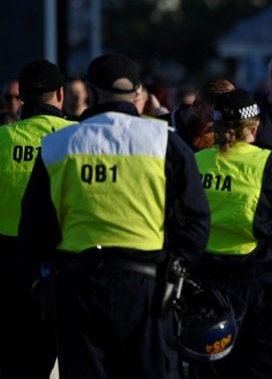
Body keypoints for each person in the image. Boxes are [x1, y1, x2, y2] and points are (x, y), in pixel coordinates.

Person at [18, 53, 211, 379]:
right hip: (146, 288)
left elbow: (35, 226)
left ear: (91, 94)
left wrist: (50, 274)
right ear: (137, 94)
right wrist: (175, 266)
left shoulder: (57, 145)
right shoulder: (164, 141)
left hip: (79, 285)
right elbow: (196, 220)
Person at [191, 89, 272, 378]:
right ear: (256, 125)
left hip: (205, 289)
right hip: (263, 289)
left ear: (216, 126)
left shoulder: (193, 163)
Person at [0, 60, 76, 378]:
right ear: (60, 95)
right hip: (67, 260)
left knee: (17, 359)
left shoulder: (4, 138)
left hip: (9, 260)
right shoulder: (79, 138)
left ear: (21, 98)